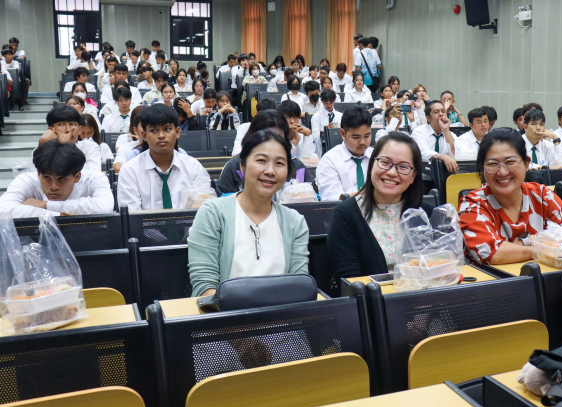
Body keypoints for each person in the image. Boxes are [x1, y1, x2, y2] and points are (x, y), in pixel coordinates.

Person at [188, 129, 309, 297]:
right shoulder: (213, 214)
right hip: (225, 311)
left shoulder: (295, 222)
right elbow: (204, 285)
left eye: (279, 163)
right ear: (242, 165)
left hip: (280, 311)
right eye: (261, 161)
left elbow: (298, 284)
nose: (270, 171)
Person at [460, 128, 562, 265]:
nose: (502, 172)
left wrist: (523, 244)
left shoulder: (543, 196)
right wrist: (537, 247)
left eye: (510, 162)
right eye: (492, 164)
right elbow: (490, 253)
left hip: (545, 276)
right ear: (482, 167)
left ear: (526, 164)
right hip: (493, 278)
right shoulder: (472, 204)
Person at [328, 132, 424, 279]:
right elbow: (351, 282)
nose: (392, 172)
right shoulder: (346, 215)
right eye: (385, 162)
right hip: (371, 293)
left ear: (413, 176)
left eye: (403, 166)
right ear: (371, 165)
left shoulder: (424, 214)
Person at [117, 104, 211, 211]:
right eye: (154, 130)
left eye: (167, 129)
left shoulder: (193, 167)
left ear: (177, 132)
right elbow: (131, 215)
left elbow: (204, 210)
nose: (161, 135)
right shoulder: (130, 170)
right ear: (144, 135)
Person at [0, 140, 113, 218]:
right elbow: (3, 210)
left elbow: (104, 207)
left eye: (61, 179)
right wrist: (56, 215)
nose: (53, 187)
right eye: (47, 178)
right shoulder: (26, 181)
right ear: (38, 174)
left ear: (77, 177)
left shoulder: (94, 178)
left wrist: (46, 205)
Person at [316, 106, 373, 201]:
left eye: (367, 136)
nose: (362, 142)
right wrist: (370, 194)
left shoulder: (377, 156)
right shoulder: (329, 161)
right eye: (356, 137)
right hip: (345, 210)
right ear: (343, 134)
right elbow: (330, 199)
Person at [37, 105, 101, 172]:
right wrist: (42, 148)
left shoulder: (90, 147)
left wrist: (66, 146)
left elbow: (94, 174)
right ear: (51, 129)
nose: (67, 130)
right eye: (61, 124)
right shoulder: (41, 148)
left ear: (80, 129)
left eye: (72, 124)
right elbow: (39, 175)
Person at [411, 100, 458, 173]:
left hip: (446, 173)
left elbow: (457, 154)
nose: (441, 114)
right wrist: (442, 157)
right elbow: (423, 153)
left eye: (443, 111)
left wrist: (446, 130)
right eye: (436, 112)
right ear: (428, 118)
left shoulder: (451, 134)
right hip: (423, 172)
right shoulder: (419, 132)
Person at [312, 89, 343, 157]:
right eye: (326, 103)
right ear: (321, 101)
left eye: (331, 102)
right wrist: (325, 131)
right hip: (323, 147)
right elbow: (315, 136)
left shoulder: (341, 116)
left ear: (334, 100)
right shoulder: (316, 117)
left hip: (338, 145)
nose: (329, 105)